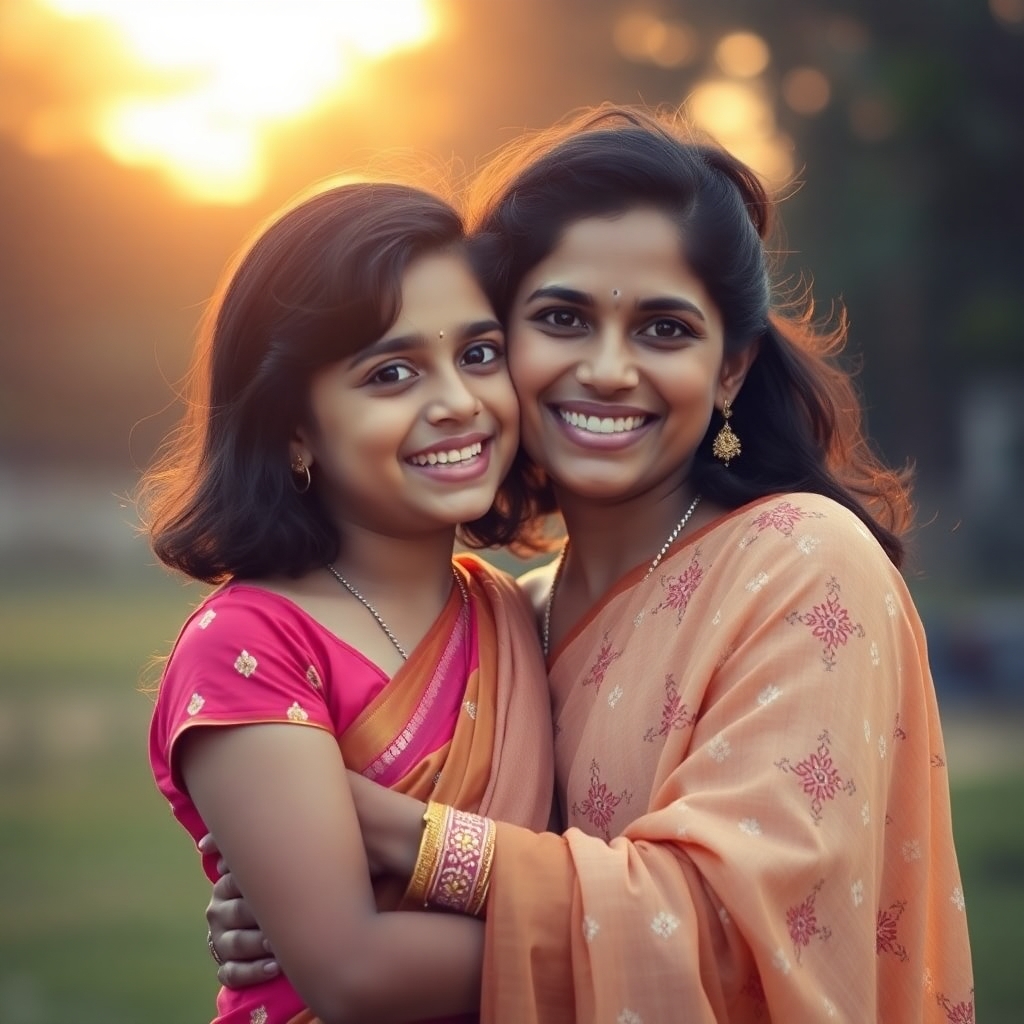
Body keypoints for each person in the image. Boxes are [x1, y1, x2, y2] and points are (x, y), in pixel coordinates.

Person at [208, 105, 975, 1022]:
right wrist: (308, 901)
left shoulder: (802, 564)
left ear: (730, 371)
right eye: (562, 317)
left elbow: (734, 939)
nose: (609, 371)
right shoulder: (512, 618)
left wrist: (379, 830)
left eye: (664, 329)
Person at [140, 180, 556, 1024]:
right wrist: (654, 932)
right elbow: (354, 975)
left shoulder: (516, 615)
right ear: (293, 426)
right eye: (392, 372)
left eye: (478, 354)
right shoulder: (248, 642)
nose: (457, 403)